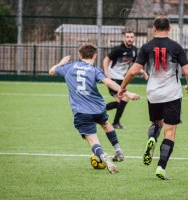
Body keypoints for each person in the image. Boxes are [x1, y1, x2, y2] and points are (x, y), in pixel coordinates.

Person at [118, 16, 188, 180]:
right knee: (170, 132)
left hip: (153, 94)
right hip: (172, 94)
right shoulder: (176, 47)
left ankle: (152, 137)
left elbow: (132, 72)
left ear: (153, 29)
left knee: (156, 123)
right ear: (170, 28)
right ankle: (161, 167)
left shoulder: (146, 47)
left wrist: (122, 88)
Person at [49, 44, 140, 174]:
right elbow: (108, 82)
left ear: (80, 56)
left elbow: (51, 71)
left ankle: (102, 156)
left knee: (92, 140)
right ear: (95, 56)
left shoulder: (69, 67)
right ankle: (118, 149)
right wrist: (127, 93)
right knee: (106, 124)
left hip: (81, 111)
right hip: (98, 108)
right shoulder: (95, 70)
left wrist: (60, 63)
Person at [103, 30, 148, 129]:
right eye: (127, 37)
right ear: (124, 38)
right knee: (125, 98)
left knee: (121, 102)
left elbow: (135, 64)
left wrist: (143, 71)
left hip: (122, 79)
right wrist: (106, 74)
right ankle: (115, 123)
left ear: (134, 38)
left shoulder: (134, 50)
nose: (129, 39)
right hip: (113, 77)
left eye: (131, 37)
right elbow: (106, 60)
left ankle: (98, 111)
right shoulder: (118, 49)